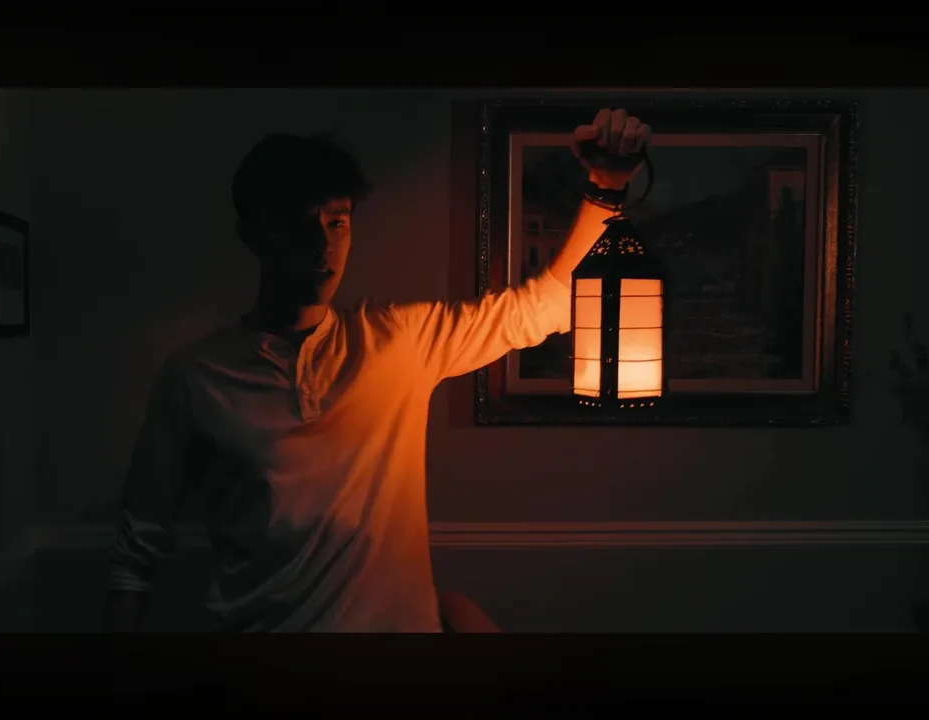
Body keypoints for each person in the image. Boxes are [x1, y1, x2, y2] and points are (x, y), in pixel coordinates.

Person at [106, 108, 652, 632]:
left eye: (337, 222)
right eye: (298, 224)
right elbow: (138, 546)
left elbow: (548, 305)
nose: (323, 246)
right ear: (252, 234)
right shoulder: (195, 377)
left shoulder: (396, 341)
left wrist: (605, 187)